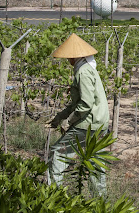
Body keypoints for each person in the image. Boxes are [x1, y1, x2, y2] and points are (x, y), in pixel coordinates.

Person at [46, 33, 110, 193]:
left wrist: (70, 121)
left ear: (75, 57)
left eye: (69, 58)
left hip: (87, 124)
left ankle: (52, 194)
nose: (68, 61)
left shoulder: (82, 72)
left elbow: (86, 104)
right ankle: (100, 202)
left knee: (58, 153)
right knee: (96, 162)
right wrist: (59, 117)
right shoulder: (89, 69)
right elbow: (77, 103)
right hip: (100, 124)